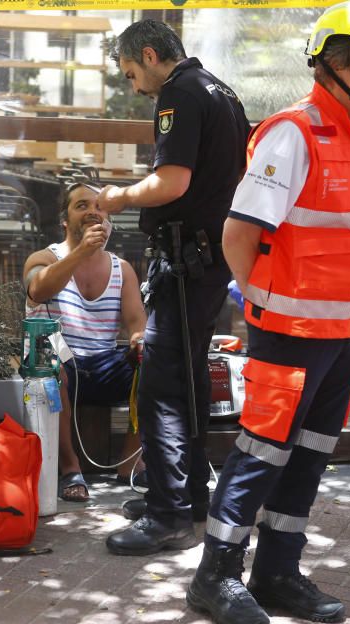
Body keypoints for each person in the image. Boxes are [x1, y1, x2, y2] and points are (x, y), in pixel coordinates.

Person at [186, 0, 350, 624]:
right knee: (261, 453)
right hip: (289, 336)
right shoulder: (294, 133)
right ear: (338, 64)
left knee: (310, 456)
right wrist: (262, 308)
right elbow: (238, 235)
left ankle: (277, 571)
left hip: (343, 338)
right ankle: (216, 574)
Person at [96, 19, 250, 556]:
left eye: (133, 72)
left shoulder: (179, 94)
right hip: (211, 258)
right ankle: (189, 496)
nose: (135, 86)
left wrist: (119, 197)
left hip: (187, 262)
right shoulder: (221, 91)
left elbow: (172, 181)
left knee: (164, 385)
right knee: (189, 378)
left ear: (151, 55)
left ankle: (167, 517)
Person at [24, 182, 147, 502]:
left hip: (103, 364)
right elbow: (38, 290)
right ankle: (70, 469)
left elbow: (137, 324)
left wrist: (139, 341)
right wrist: (81, 251)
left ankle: (130, 463)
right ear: (65, 220)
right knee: (43, 357)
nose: (93, 211)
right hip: (63, 366)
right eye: (82, 206)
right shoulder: (43, 257)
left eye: (100, 207)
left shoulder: (123, 269)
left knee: (156, 358)